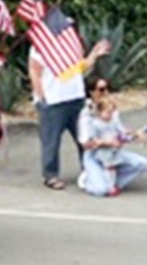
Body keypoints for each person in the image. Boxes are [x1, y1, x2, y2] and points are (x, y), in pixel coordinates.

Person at [30, 39, 111, 190]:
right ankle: (51, 175)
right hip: (53, 100)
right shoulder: (40, 46)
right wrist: (41, 97)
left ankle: (89, 169)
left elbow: (81, 68)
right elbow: (35, 71)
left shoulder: (73, 44)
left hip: (75, 98)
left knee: (84, 137)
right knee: (51, 141)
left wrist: (94, 54)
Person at [79, 98, 147, 197]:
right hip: (97, 155)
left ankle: (112, 184)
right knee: (100, 191)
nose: (110, 115)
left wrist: (136, 134)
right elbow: (91, 143)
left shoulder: (113, 121)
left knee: (143, 163)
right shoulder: (93, 123)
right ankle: (88, 181)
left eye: (112, 112)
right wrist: (108, 143)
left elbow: (123, 133)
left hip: (114, 153)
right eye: (108, 112)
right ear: (99, 112)